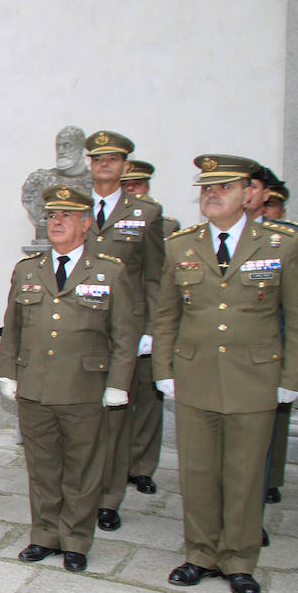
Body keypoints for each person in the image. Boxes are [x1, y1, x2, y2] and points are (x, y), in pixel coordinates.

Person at [154, 154, 298, 593]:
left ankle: (239, 560)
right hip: (195, 374)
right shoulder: (182, 245)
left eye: (223, 188)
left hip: (255, 377)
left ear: (248, 195)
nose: (211, 195)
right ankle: (200, 553)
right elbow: (166, 315)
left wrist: (293, 376)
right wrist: (163, 369)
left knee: (245, 474)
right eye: (206, 188)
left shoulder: (282, 244)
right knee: (198, 471)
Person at [0, 185, 137, 572]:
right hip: (36, 386)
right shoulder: (28, 269)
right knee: (42, 467)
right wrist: (8, 373)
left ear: (86, 223)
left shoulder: (109, 271)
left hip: (84, 388)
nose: (56, 222)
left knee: (82, 467)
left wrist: (118, 385)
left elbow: (125, 336)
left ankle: (75, 538)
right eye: (52, 216)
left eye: (66, 216)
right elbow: (13, 329)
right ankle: (44, 534)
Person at [84, 130, 165, 532]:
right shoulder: (73, 207)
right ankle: (81, 490)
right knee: (83, 415)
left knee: (116, 417)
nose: (105, 164)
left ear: (124, 165)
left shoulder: (146, 213)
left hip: (124, 329)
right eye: (98, 158)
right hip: (81, 327)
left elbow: (154, 277)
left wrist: (149, 329)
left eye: (113, 159)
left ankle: (109, 498)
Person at [245, 171, 298, 505]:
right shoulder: (202, 240)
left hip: (269, 352)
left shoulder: (289, 241)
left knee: (264, 438)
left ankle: (259, 497)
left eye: (252, 188)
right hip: (223, 355)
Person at [117, 160, 179, 495]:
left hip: (143, 323)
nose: (131, 190)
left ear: (147, 186)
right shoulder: (100, 220)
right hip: (112, 325)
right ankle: (116, 464)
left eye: (136, 184)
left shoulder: (163, 225)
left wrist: (155, 329)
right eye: (125, 184)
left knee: (147, 398)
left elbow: (160, 281)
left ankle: (141, 466)